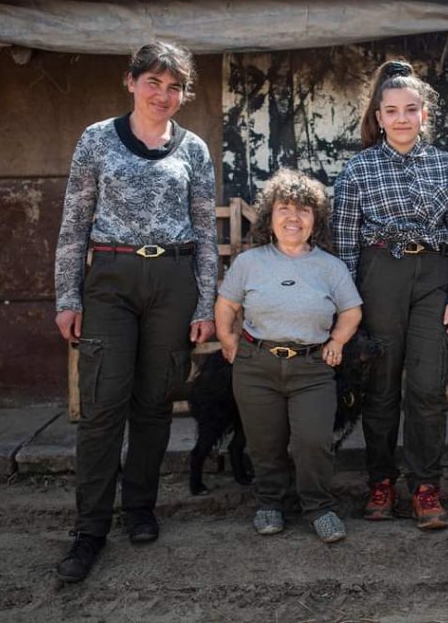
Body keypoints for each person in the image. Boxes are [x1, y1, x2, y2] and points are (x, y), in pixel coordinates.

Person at [53, 41, 218, 581]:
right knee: (102, 407)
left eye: (175, 87)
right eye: (154, 83)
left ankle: (140, 507)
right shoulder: (97, 140)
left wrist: (206, 301)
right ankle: (90, 529)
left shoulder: (193, 149)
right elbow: (74, 223)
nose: (164, 95)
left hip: (173, 280)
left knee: (153, 403)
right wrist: (68, 296)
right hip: (111, 282)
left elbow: (205, 233)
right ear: (131, 82)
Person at [333, 60, 448, 530]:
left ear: (424, 115)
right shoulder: (357, 170)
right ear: (378, 117)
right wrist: (350, 309)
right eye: (390, 110)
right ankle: (380, 481)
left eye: (410, 110)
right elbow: (346, 244)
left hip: (433, 276)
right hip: (379, 276)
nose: (400, 119)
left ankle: (424, 485)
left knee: (427, 388)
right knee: (380, 386)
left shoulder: (447, 167)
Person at [215, 169, 362, 543]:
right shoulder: (250, 262)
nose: (293, 218)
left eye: (304, 210)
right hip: (256, 365)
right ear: (269, 216)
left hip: (312, 367)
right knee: (265, 442)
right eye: (284, 208)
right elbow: (226, 304)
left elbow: (351, 311)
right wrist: (228, 341)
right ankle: (270, 503)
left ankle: (319, 507)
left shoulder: (331, 266)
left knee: (314, 441)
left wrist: (338, 342)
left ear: (317, 219)